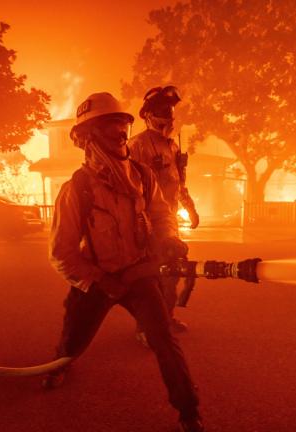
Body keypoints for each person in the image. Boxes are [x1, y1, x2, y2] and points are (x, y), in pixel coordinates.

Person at [44, 92, 204, 432]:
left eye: (122, 124)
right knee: (73, 342)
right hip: (97, 280)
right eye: (109, 126)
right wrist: (100, 281)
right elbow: (62, 253)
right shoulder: (77, 189)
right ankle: (60, 365)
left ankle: (189, 413)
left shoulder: (143, 177)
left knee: (164, 341)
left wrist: (169, 239)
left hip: (137, 277)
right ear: (87, 138)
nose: (120, 133)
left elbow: (162, 216)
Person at [128, 85, 199, 343]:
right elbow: (129, 188)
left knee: (173, 272)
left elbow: (179, 182)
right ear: (147, 115)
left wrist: (190, 208)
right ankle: (145, 328)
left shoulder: (172, 146)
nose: (167, 115)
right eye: (161, 110)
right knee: (151, 277)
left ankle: (166, 317)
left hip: (170, 222)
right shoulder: (136, 146)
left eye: (169, 110)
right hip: (148, 223)